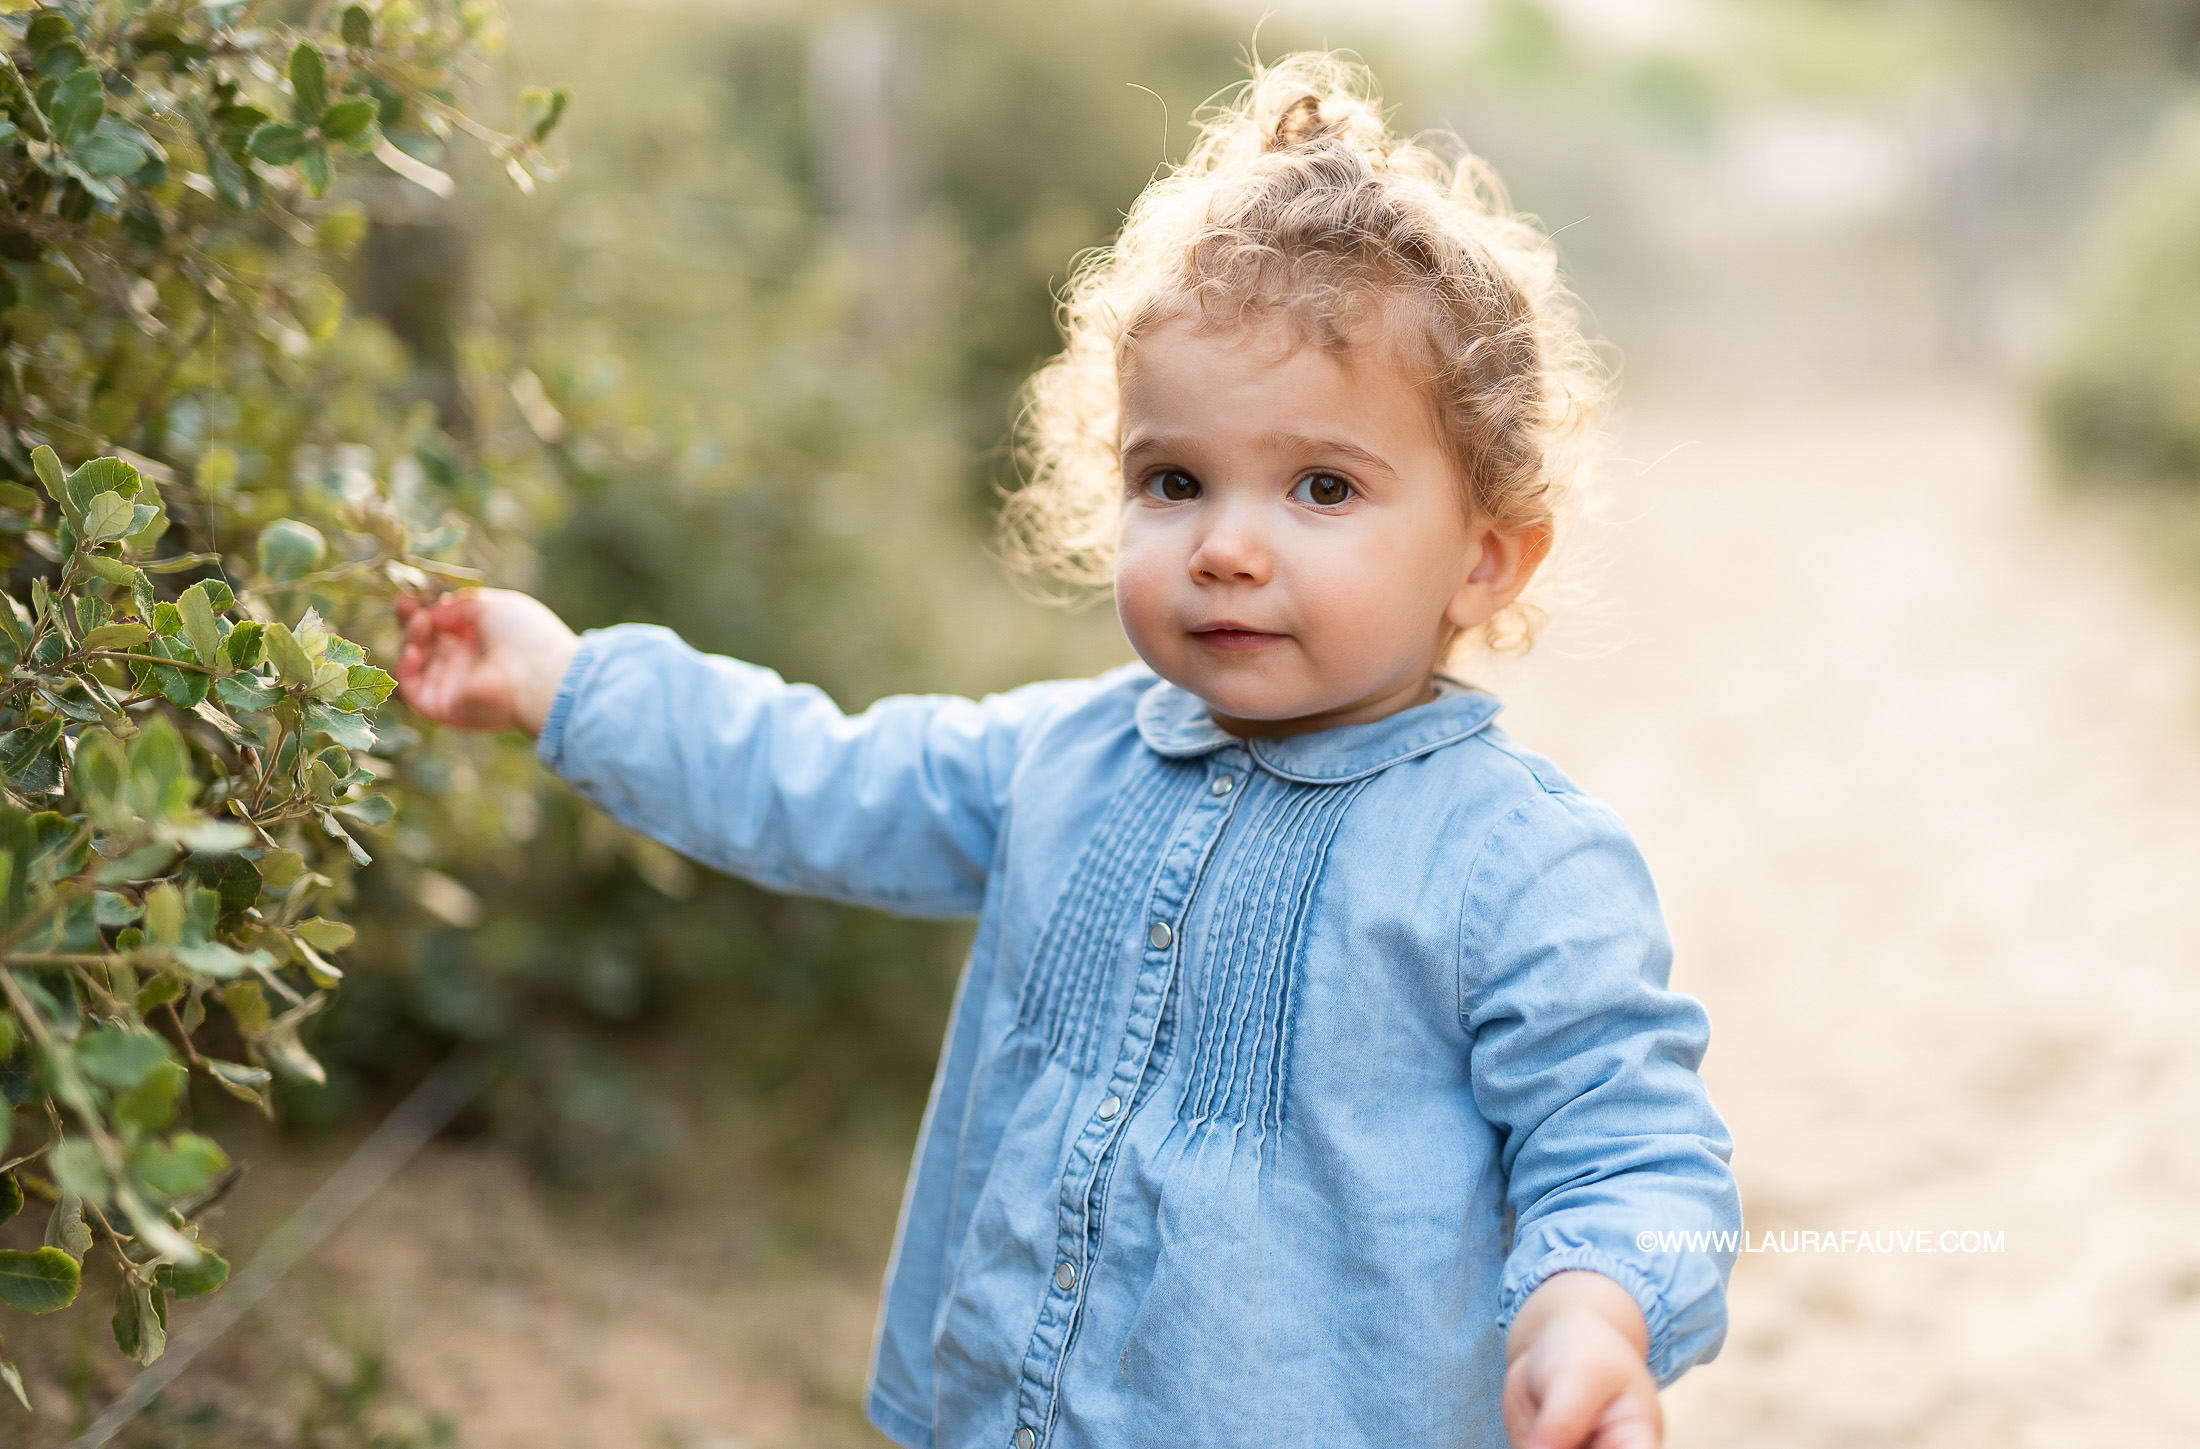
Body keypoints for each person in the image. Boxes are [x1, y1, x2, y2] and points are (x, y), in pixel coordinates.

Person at [395, 54, 1740, 1449]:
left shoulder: (1516, 862)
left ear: (1485, 555)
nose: (1224, 542)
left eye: (1322, 486)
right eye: (1174, 479)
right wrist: (571, 681)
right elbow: (820, 777)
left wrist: (1594, 1308)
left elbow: (1630, 1141)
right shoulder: (1064, 758)